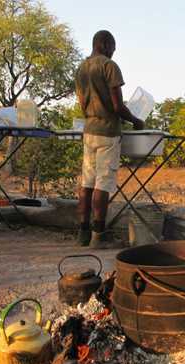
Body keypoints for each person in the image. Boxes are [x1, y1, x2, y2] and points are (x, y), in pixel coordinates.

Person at [75, 30, 144, 248]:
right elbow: (117, 106)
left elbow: (81, 103)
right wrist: (135, 120)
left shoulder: (82, 68)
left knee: (86, 182)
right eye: (113, 47)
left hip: (89, 130)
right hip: (108, 132)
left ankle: (82, 233)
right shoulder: (109, 66)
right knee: (102, 184)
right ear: (104, 44)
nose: (114, 52)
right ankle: (98, 235)